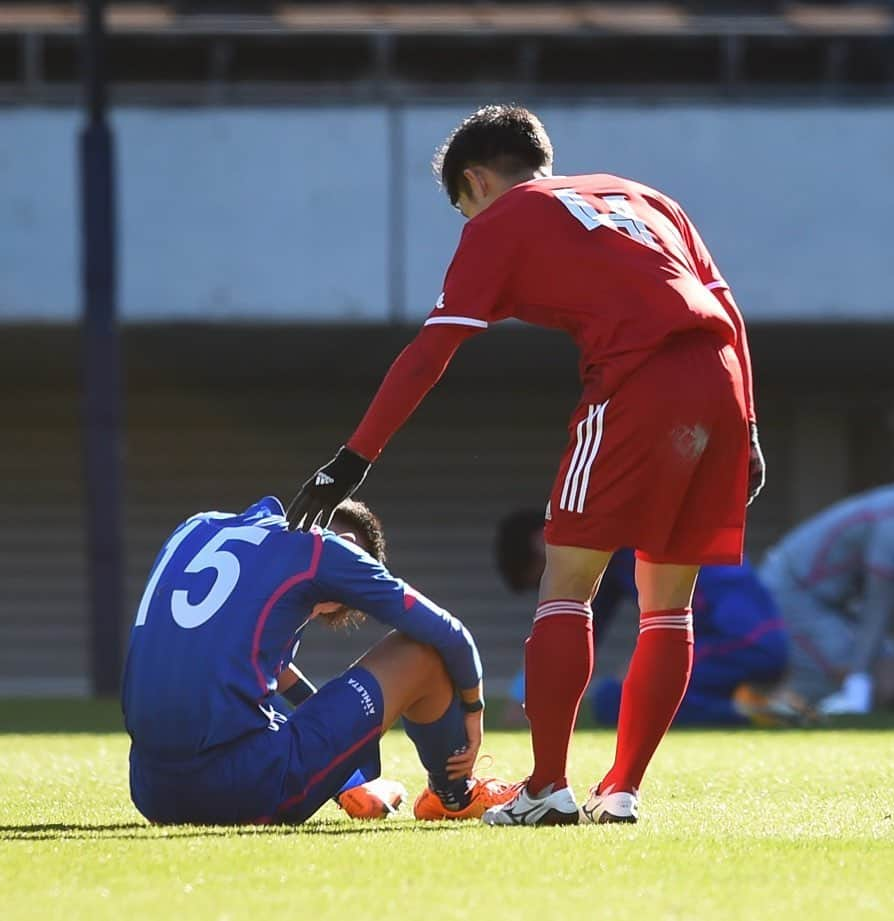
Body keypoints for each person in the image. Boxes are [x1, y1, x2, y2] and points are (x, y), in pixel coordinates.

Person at [287, 105, 764, 825]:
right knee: (668, 598)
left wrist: (353, 458)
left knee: (567, 582)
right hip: (722, 380)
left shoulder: (502, 219)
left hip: (638, 380)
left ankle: (546, 786)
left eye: (460, 206)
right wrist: (749, 425)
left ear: (475, 179)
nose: (465, 221)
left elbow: (430, 353)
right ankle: (622, 789)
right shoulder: (642, 195)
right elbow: (723, 305)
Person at [122, 496, 514, 826]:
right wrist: (474, 714)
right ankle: (454, 795)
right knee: (422, 652)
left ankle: (350, 784)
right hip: (239, 790)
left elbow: (256, 668)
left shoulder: (198, 527)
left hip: (150, 790)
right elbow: (452, 635)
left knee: (251, 713)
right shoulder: (319, 548)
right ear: (343, 541)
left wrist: (340, 753)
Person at [496, 511, 795, 729]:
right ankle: (756, 704)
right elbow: (573, 629)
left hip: (740, 644)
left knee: (616, 699)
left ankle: (748, 710)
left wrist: (521, 700)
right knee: (624, 691)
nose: (550, 588)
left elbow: (567, 625)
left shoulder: (606, 540)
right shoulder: (613, 551)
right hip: (760, 642)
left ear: (541, 543)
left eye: (543, 579)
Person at [760, 483, 894, 715]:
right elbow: (877, 609)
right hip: (795, 587)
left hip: (841, 603)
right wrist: (858, 685)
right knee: (857, 678)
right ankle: (776, 703)